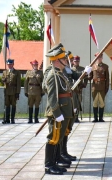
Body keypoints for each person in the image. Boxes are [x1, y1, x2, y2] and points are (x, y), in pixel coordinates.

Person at [42, 43, 74, 175]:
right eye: (64, 59)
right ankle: (49, 165)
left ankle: (54, 162)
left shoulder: (60, 74)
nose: (66, 61)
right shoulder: (53, 76)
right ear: (57, 60)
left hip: (63, 110)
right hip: (58, 111)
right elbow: (52, 97)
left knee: (59, 138)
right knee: (53, 138)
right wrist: (56, 113)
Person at [88, 52, 109, 122]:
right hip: (95, 87)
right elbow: (90, 77)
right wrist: (87, 72)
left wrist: (106, 88)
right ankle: (95, 118)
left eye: (100, 57)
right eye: (97, 57)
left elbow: (107, 78)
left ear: (102, 58)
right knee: (95, 103)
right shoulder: (93, 66)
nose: (98, 59)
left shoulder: (105, 67)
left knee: (102, 103)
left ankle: (100, 118)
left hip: (102, 87)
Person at [1, 59, 21, 124]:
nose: (9, 65)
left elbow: (18, 83)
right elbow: (2, 80)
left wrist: (18, 92)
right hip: (7, 91)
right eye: (8, 64)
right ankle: (7, 119)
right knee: (7, 105)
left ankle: (12, 119)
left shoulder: (17, 72)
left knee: (13, 105)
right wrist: (4, 80)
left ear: (13, 64)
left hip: (13, 91)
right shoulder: (5, 72)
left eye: (10, 64)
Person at [71, 55, 88, 123]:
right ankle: (73, 117)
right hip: (72, 88)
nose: (76, 62)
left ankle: (76, 117)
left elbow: (86, 77)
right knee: (73, 103)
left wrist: (85, 84)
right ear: (73, 61)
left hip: (79, 88)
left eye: (77, 61)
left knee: (78, 102)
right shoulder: (70, 69)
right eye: (75, 61)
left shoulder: (82, 69)